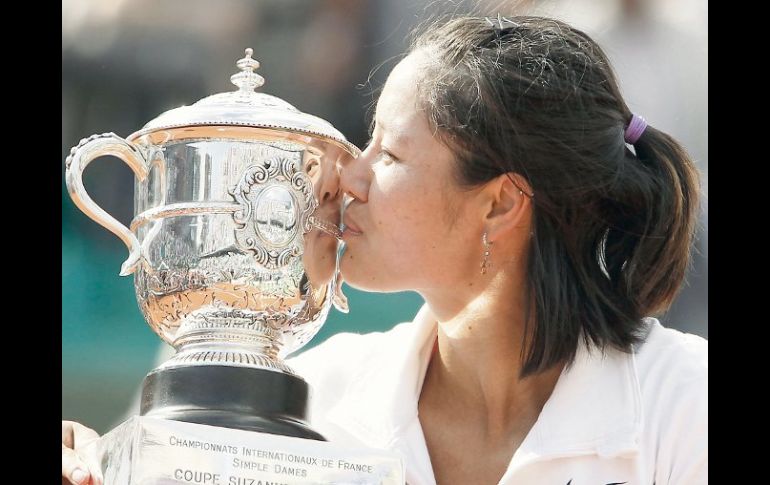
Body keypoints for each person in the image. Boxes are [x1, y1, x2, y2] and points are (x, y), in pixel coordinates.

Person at [62, 15, 707, 485]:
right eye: (364, 144)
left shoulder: (686, 404)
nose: (347, 176)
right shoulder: (316, 391)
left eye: (389, 154)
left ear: (501, 204)